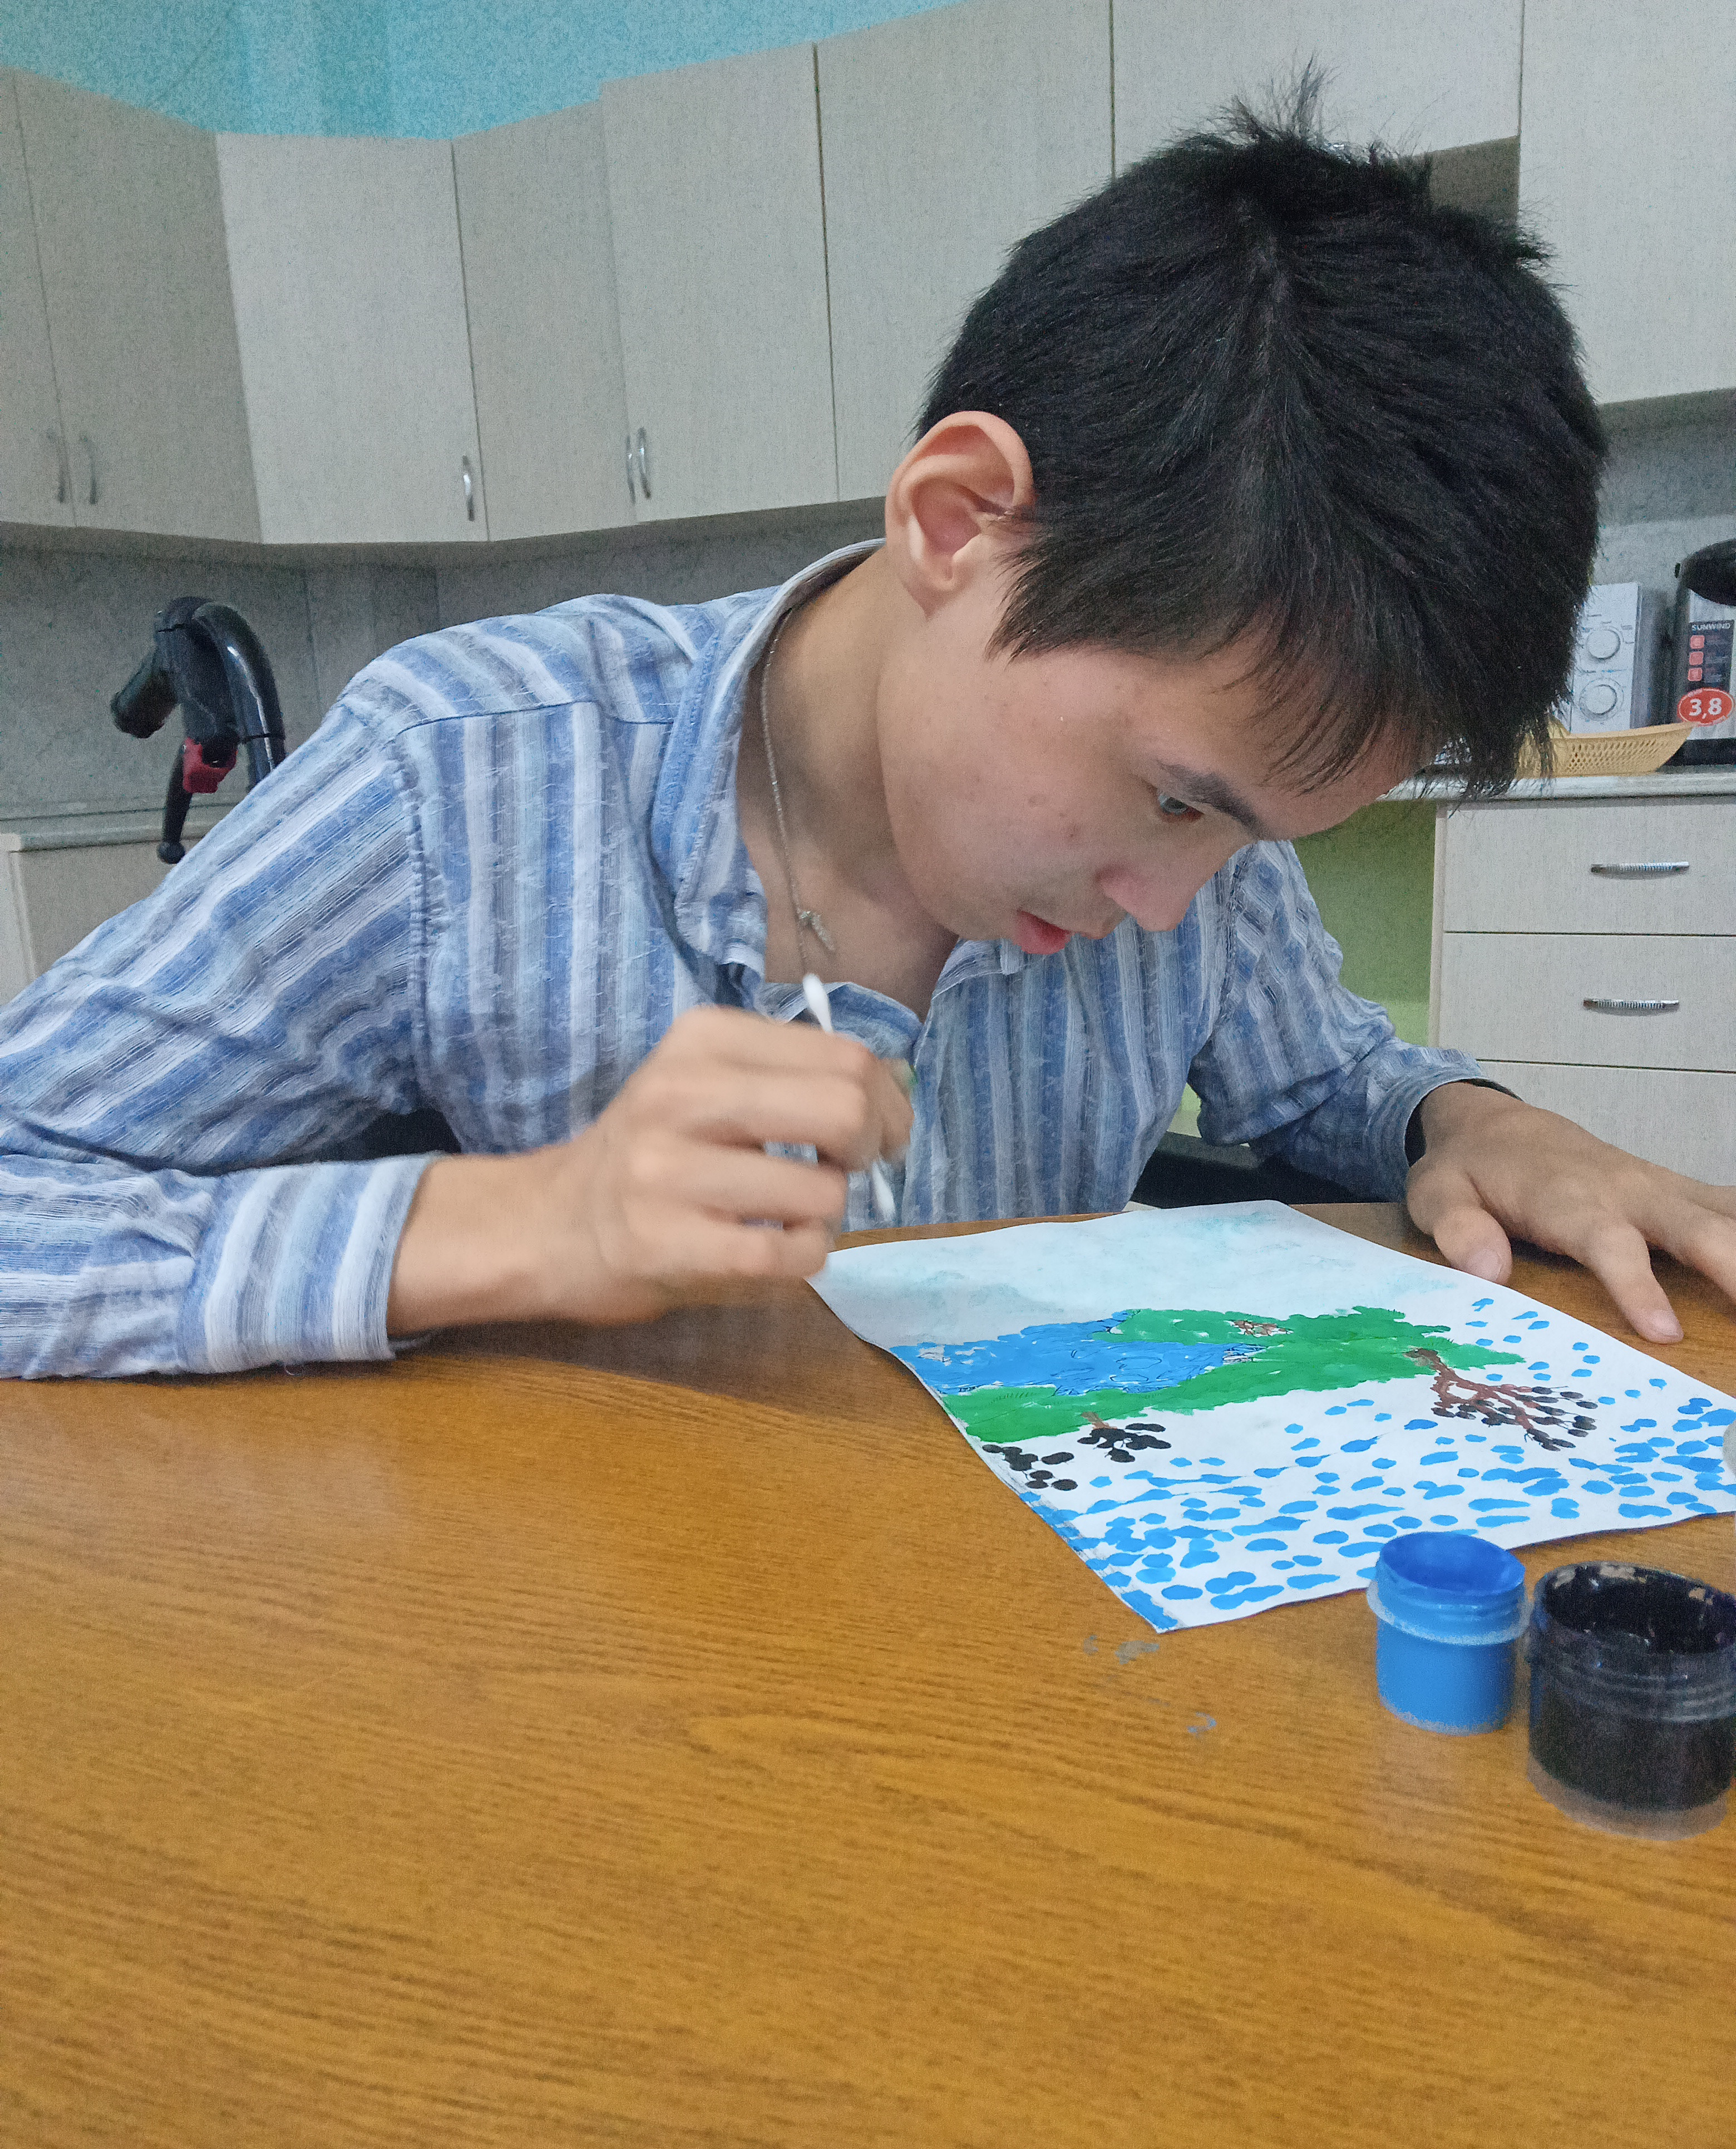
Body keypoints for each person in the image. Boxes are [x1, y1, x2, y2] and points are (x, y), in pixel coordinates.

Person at [1, 105, 1731, 1381]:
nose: (1171, 901)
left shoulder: (1199, 857)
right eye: (1170, 799)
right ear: (958, 520)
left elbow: (1326, 1077)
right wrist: (517, 1224)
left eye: (1249, 838)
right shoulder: (462, 775)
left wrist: (1466, 1122)